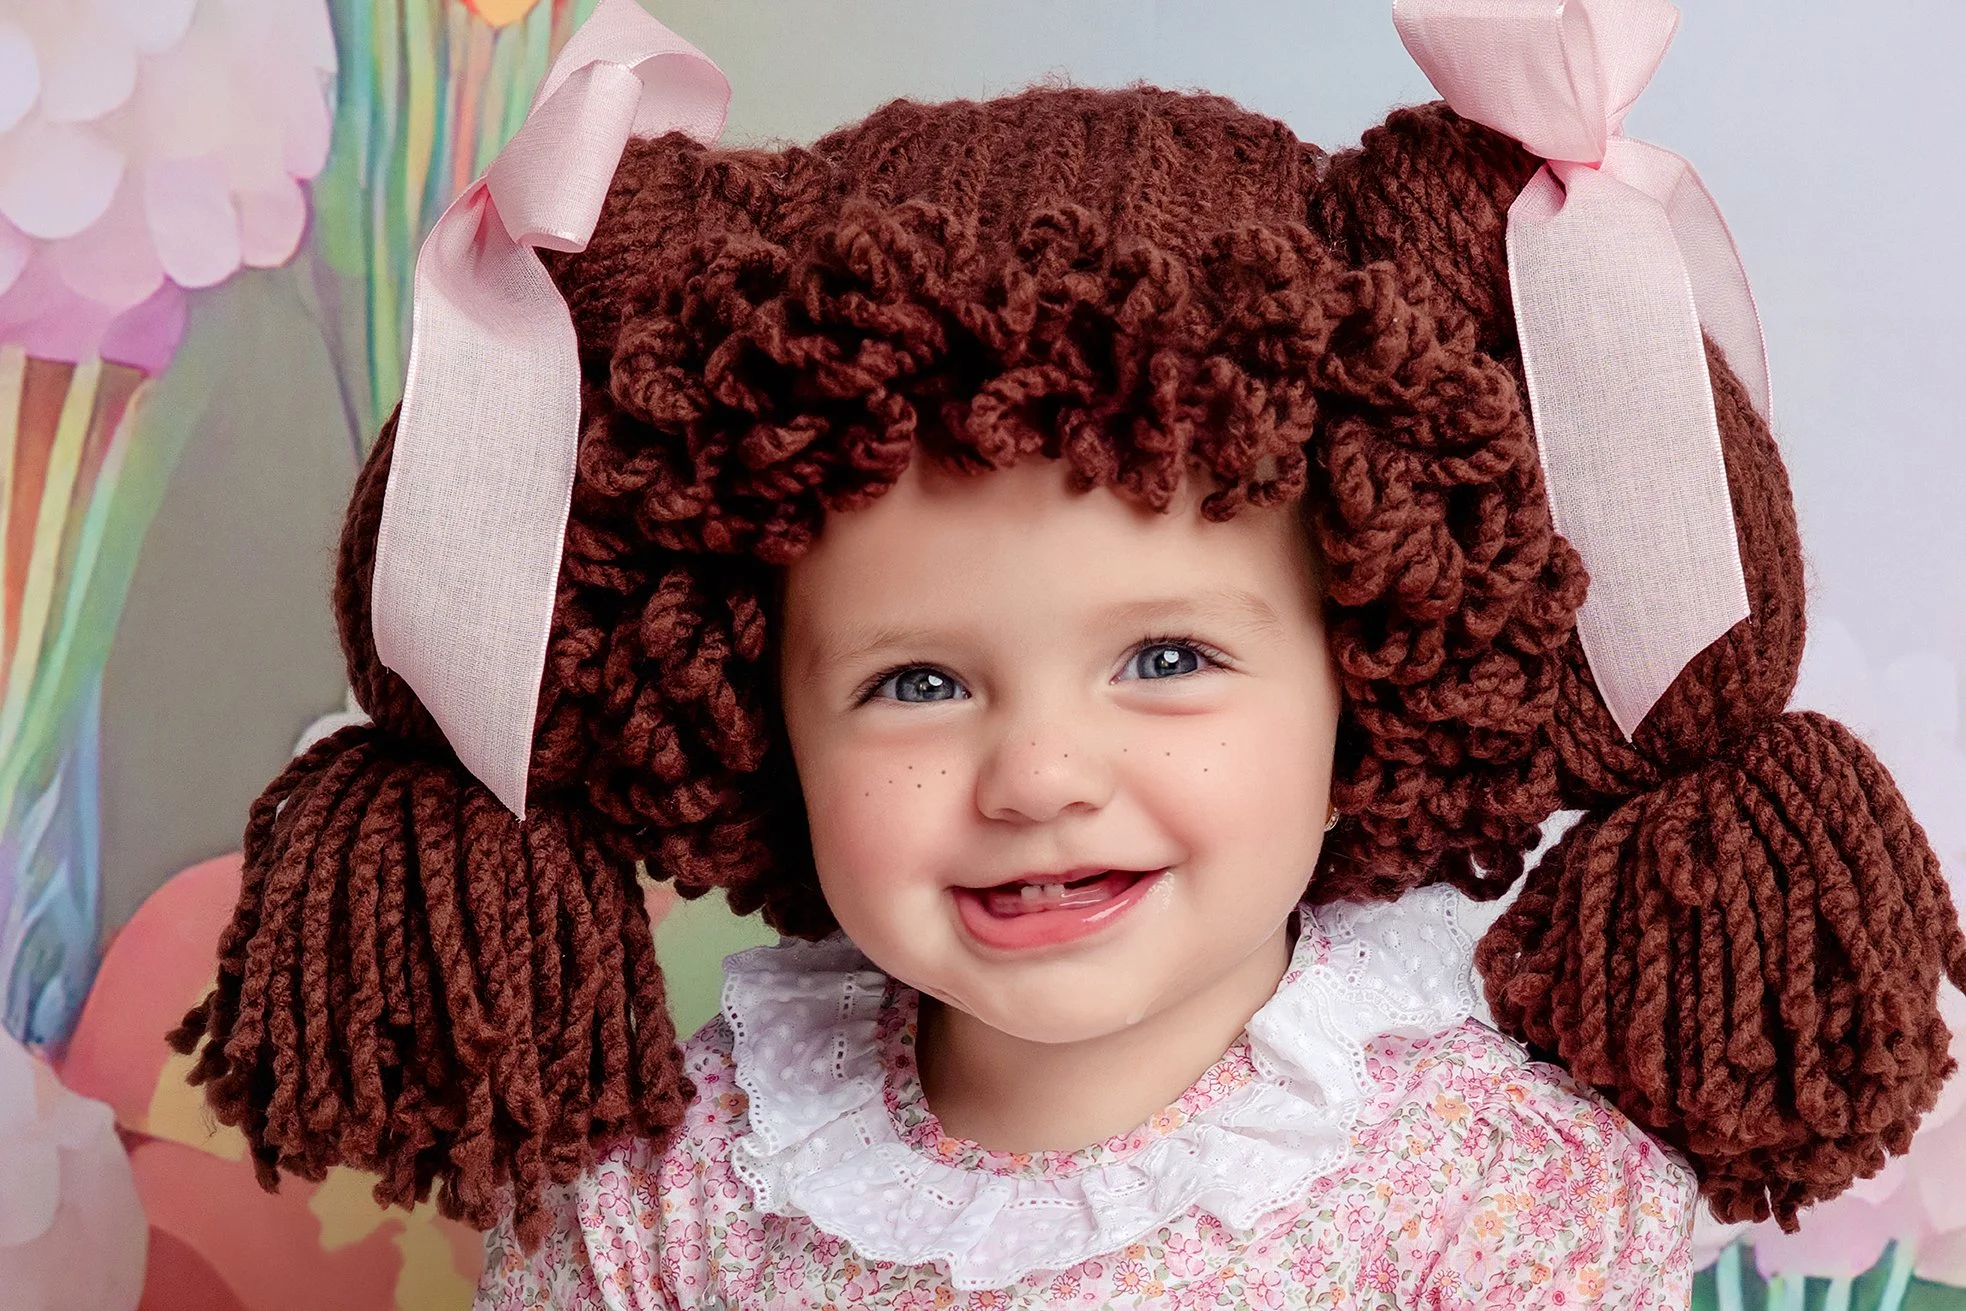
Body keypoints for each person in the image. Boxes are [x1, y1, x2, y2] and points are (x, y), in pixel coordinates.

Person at [167, 1, 1966, 1306]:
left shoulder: (1496, 1197)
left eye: (1167, 656)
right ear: (749, 710)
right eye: (917, 682)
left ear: (1369, 672)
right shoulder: (672, 1197)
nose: (1036, 773)